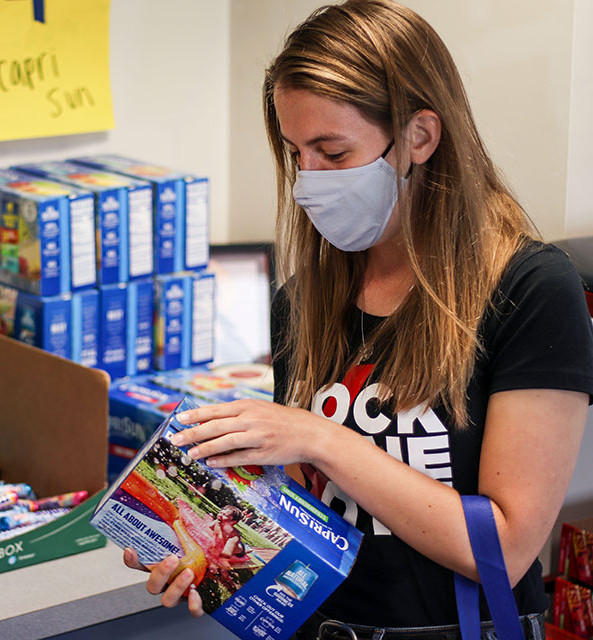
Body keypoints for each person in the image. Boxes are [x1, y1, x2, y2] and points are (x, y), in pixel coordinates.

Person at [122, 1, 593, 637]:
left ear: (420, 138)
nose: (306, 184)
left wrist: (319, 437)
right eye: (295, 155)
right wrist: (214, 541)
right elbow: (305, 512)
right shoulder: (307, 298)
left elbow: (504, 550)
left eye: (334, 153)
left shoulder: (530, 291)